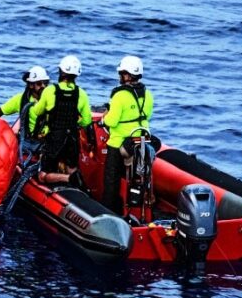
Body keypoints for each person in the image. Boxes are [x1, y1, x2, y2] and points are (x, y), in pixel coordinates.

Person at [101, 55, 154, 215]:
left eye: (122, 73)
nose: (120, 76)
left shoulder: (119, 95)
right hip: (142, 142)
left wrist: (103, 119)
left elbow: (111, 121)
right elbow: (148, 116)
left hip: (119, 144)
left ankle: (109, 211)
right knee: (139, 177)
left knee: (111, 180)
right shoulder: (148, 94)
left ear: (128, 75)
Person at [26, 55, 92, 182]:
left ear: (61, 72)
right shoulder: (82, 94)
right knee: (71, 167)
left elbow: (37, 111)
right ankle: (75, 179)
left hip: (55, 138)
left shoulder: (50, 90)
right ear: (76, 75)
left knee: (43, 176)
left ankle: (67, 178)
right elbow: (86, 121)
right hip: (72, 138)